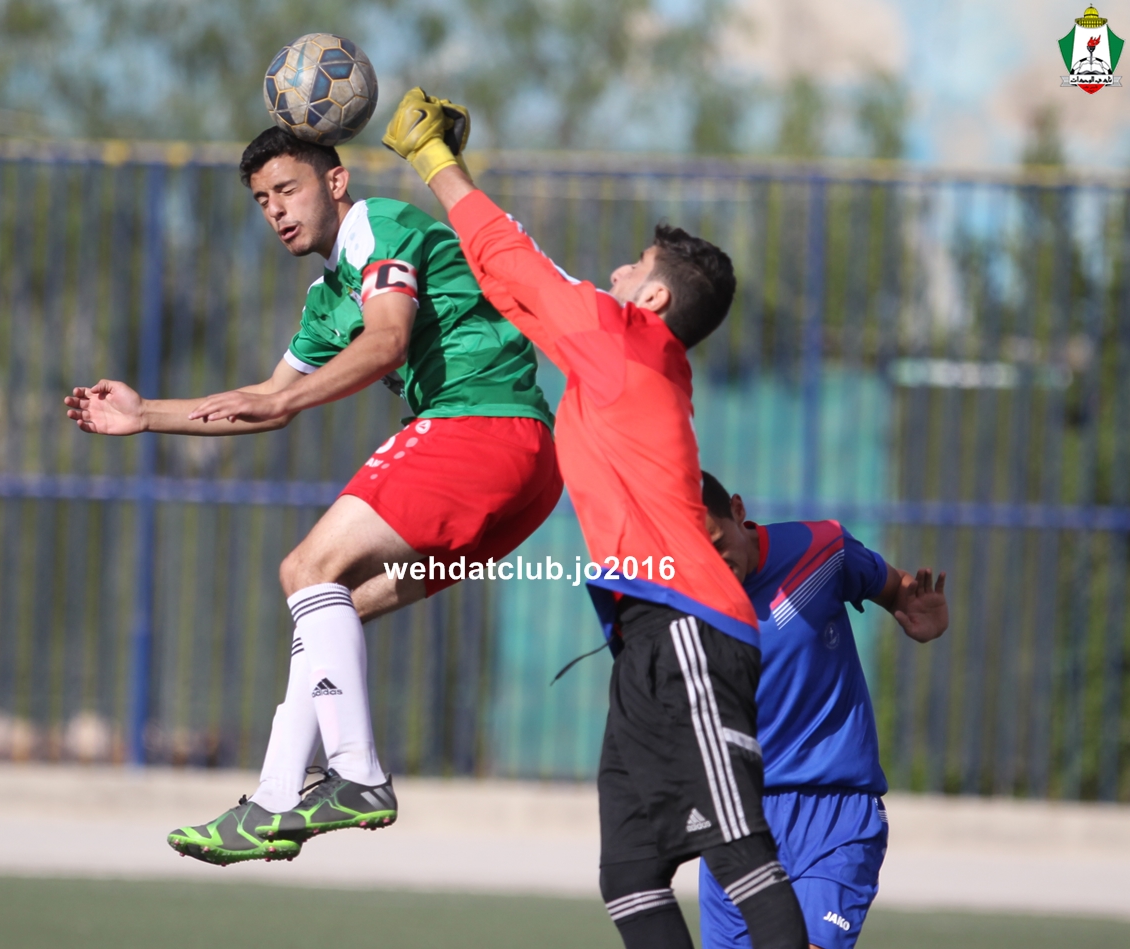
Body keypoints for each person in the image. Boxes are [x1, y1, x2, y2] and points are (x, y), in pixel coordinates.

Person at [63, 126, 561, 864]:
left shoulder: (377, 226)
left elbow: (387, 341)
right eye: (262, 200)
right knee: (330, 610)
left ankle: (358, 775)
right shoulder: (328, 299)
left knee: (305, 569)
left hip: (481, 426)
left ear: (334, 182)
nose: (275, 209)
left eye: (287, 189)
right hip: (525, 470)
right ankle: (272, 800)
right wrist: (145, 415)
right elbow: (267, 399)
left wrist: (282, 402)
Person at [382, 88, 808, 949]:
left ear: (653, 299)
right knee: (632, 872)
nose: (612, 273)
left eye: (630, 266)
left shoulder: (627, 342)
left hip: (691, 628)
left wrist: (437, 164)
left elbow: (519, 263)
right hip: (647, 635)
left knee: (739, 849)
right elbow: (515, 290)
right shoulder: (622, 360)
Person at [697, 472, 948, 949]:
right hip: (737, 818)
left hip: (835, 813)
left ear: (738, 510)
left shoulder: (822, 551)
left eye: (717, 542)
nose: (712, 562)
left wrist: (911, 605)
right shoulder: (681, 595)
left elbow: (895, 587)